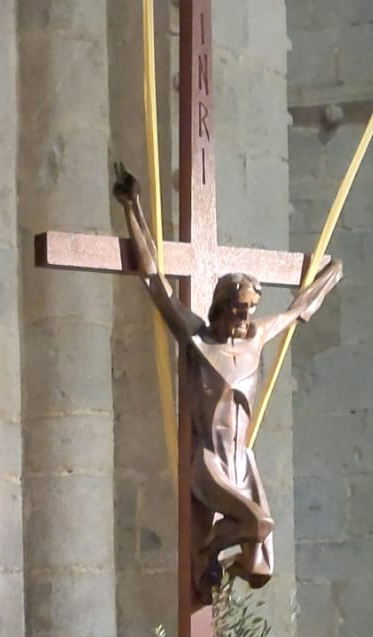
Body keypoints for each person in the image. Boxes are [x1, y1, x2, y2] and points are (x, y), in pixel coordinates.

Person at [115, 167, 341, 606]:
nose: (246, 317)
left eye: (251, 309)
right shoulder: (199, 340)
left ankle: (211, 556)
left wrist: (331, 275)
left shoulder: (256, 338)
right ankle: (208, 550)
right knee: (258, 524)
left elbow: (296, 310)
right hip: (210, 462)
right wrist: (132, 208)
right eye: (239, 309)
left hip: (242, 461)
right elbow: (154, 283)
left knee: (259, 567)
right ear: (221, 307)